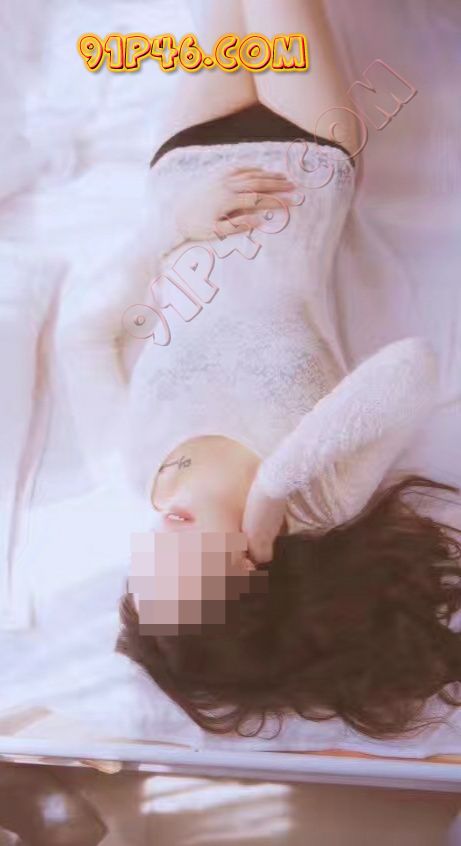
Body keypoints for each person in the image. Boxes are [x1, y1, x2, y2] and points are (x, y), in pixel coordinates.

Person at [116, 0, 461, 739]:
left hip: (183, 172)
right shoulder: (317, 495)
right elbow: (411, 368)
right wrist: (271, 491)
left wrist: (176, 224)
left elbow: (93, 332)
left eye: (145, 575)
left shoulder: (143, 467)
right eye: (182, 576)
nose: (158, 547)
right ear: (248, 572)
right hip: (308, 154)